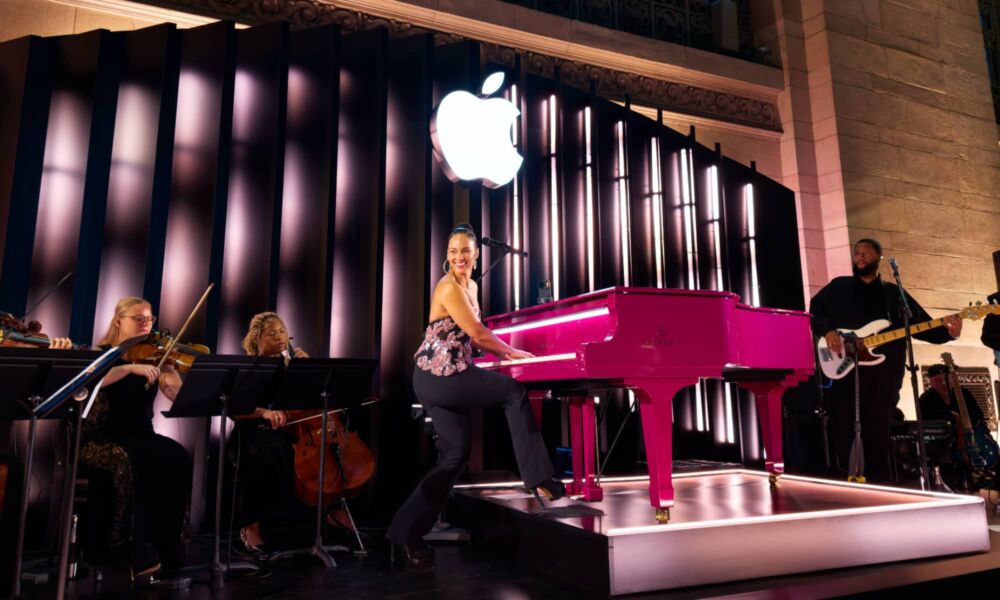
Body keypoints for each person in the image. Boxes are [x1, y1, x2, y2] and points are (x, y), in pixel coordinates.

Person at [387, 223, 564, 567]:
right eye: (453, 251)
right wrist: (510, 353)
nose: (459, 257)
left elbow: (467, 340)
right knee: (513, 393)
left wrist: (495, 353)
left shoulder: (471, 286)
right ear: (447, 255)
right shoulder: (449, 287)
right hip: (440, 377)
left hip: (440, 375)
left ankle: (403, 534)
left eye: (465, 251)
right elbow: (478, 333)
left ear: (476, 254)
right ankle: (540, 478)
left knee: (455, 456)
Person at [809, 239, 962, 483]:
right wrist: (828, 331)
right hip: (845, 372)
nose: (859, 258)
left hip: (884, 377)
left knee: (879, 430)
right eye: (857, 254)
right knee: (843, 428)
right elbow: (816, 310)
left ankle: (879, 485)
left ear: (879, 258)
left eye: (865, 254)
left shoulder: (894, 294)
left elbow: (919, 324)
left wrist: (948, 333)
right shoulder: (838, 287)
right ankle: (843, 484)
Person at [78, 297, 193, 590]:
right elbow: (89, 381)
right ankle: (132, 553)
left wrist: (170, 370)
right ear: (119, 320)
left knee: (176, 456)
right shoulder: (102, 354)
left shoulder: (154, 355)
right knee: (132, 460)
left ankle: (168, 549)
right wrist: (130, 369)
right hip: (100, 438)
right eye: (138, 318)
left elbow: (177, 397)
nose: (146, 324)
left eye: (150, 319)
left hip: (141, 435)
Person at [232, 311, 309, 555]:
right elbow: (235, 410)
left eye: (283, 331)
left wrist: (306, 371)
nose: (280, 337)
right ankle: (250, 526)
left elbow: (309, 403)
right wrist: (263, 412)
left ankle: (328, 516)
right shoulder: (249, 368)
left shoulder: (290, 365)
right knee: (269, 454)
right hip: (252, 432)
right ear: (257, 339)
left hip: (290, 430)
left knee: (323, 454)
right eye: (272, 333)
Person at [919, 363, 997, 489]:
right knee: (946, 462)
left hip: (973, 436)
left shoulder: (964, 393)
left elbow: (978, 416)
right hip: (946, 443)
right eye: (938, 381)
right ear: (931, 383)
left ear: (951, 379)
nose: (943, 383)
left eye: (946, 379)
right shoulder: (926, 399)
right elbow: (926, 422)